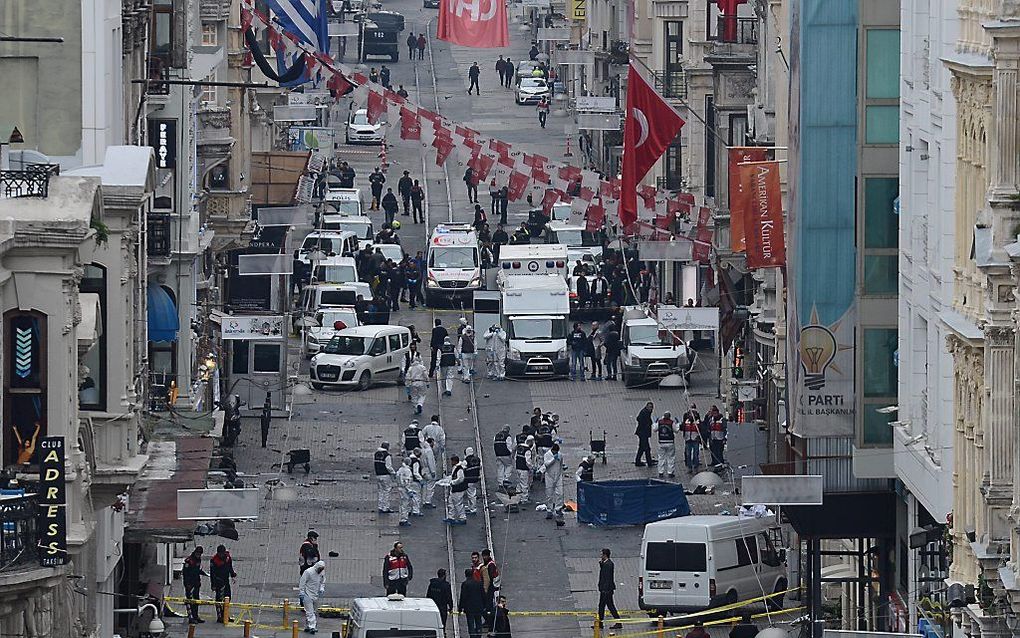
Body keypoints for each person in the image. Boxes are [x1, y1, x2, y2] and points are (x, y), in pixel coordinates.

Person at [210, 544, 237, 623]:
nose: (221, 555)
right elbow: (212, 573)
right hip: (218, 582)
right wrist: (213, 585)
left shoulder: (227, 557)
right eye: (220, 553)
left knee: (227, 598)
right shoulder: (214, 560)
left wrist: (232, 574)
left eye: (222, 553)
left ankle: (225, 615)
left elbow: (229, 566)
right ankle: (219, 616)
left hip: (226, 580)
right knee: (219, 600)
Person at [298, 560, 326, 634]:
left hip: (315, 594)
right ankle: (312, 627)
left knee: (312, 611)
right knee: (310, 612)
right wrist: (301, 593)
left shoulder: (321, 572)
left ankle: (308, 626)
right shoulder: (308, 572)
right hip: (307, 594)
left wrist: (322, 587)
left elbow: (323, 580)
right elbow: (302, 582)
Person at [597, 548, 622, 628]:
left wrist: (605, 590)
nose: (600, 555)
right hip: (605, 589)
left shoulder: (608, 564)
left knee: (609, 606)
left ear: (605, 555)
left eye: (601, 554)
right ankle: (600, 623)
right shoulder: (606, 563)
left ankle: (618, 622)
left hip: (606, 590)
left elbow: (607, 578)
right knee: (602, 606)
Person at [541, 443, 565, 524]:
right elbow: (546, 464)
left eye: (556, 452)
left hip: (558, 476)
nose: (555, 454)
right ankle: (549, 510)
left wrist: (560, 473)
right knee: (549, 494)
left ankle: (558, 508)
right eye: (554, 452)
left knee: (560, 493)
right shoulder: (547, 455)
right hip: (549, 476)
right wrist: (553, 459)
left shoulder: (560, 455)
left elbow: (561, 464)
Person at [459, 568, 486, 638]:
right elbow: (483, 595)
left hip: (469, 608)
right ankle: (479, 635)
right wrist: (485, 606)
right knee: (478, 622)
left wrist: (460, 608)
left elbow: (463, 597)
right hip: (478, 607)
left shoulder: (465, 584)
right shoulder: (479, 583)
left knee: (471, 624)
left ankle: (473, 636)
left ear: (465, 575)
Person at [182, 546, 207, 624]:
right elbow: (185, 573)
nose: (199, 555)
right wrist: (187, 584)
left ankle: (195, 616)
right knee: (190, 601)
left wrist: (202, 573)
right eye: (198, 553)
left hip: (196, 583)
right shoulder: (189, 561)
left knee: (196, 601)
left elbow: (196, 570)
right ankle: (191, 617)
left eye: (200, 554)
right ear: (195, 552)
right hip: (190, 584)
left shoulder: (198, 559)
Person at [445, 455, 468, 525]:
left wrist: (452, 482)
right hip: (454, 489)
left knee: (458, 504)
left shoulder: (459, 469)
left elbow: (460, 479)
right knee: (451, 502)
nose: (451, 463)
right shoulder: (456, 467)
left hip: (458, 489)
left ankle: (462, 518)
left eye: (452, 461)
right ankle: (451, 517)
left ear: (455, 461)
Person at [375, 442, 396, 513]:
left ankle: (380, 507)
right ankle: (386, 507)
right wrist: (393, 473)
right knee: (387, 491)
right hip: (385, 475)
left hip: (378, 475)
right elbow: (388, 467)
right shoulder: (387, 455)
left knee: (380, 491)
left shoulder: (376, 454)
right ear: (387, 447)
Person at [514, 435, 535, 502]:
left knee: (518, 484)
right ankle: (524, 499)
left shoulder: (519, 447)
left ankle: (518, 498)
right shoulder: (527, 450)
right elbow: (528, 461)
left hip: (518, 468)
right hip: (524, 469)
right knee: (524, 484)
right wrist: (531, 468)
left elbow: (515, 457)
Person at [656, 411, 677, 478]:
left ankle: (660, 472)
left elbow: (654, 429)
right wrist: (678, 424)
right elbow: (676, 430)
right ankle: (670, 472)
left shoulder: (659, 422)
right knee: (671, 458)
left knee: (661, 458)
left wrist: (655, 423)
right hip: (670, 442)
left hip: (661, 442)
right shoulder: (671, 422)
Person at [634, 402, 655, 466]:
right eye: (650, 407)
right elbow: (639, 419)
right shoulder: (645, 412)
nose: (651, 409)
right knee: (646, 448)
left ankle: (638, 461)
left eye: (652, 407)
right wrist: (646, 425)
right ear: (646, 407)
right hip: (643, 433)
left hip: (642, 432)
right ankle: (649, 462)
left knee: (642, 447)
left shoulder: (646, 412)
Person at [463, 446, 482, 514]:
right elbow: (480, 467)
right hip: (475, 478)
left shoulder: (466, 461)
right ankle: (470, 506)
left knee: (471, 494)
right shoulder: (478, 459)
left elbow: (462, 469)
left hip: (468, 479)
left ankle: (473, 508)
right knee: (471, 493)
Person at [420, 441, 438, 508]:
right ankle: (428, 501)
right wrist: (433, 471)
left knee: (424, 487)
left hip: (423, 470)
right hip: (429, 471)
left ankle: (424, 501)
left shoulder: (422, 450)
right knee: (430, 487)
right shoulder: (429, 451)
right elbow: (430, 462)